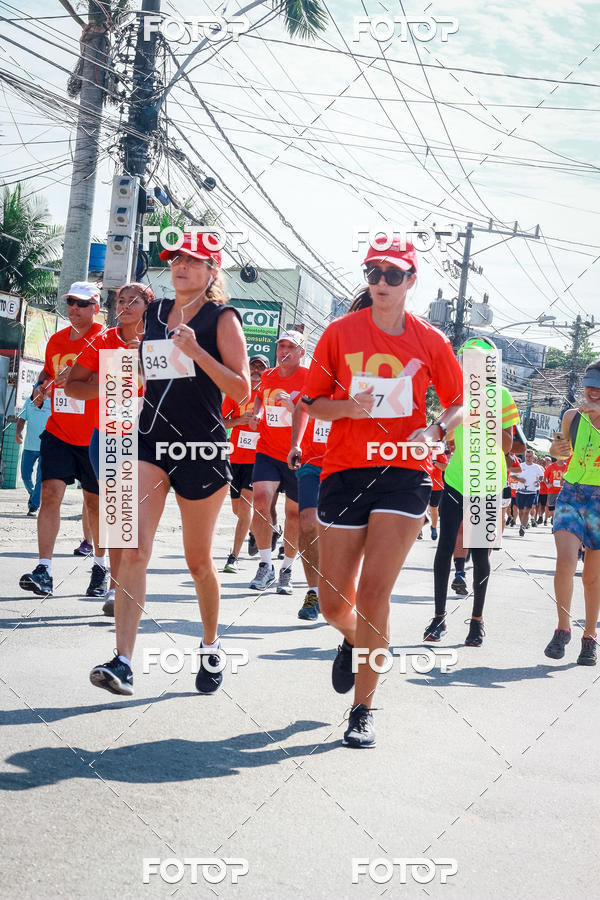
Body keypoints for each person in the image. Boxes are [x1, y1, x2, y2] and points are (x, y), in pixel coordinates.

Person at [301, 237, 463, 748]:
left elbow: (461, 402)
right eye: (373, 272)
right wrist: (349, 408)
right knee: (332, 604)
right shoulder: (339, 332)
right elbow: (311, 402)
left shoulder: (430, 339)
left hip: (404, 473)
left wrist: (435, 430)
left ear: (411, 281)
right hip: (344, 471)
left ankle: (363, 709)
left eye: (393, 274)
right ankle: (361, 641)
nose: (380, 282)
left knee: (374, 594)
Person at [89, 232, 250, 696]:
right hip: (150, 443)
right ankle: (122, 661)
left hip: (201, 448)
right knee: (134, 548)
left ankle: (210, 644)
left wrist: (198, 352)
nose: (181, 266)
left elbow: (242, 391)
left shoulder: (223, 318)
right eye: (176, 259)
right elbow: (146, 371)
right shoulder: (155, 314)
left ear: (212, 271)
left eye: (194, 261)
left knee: (198, 561)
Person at [65, 282, 154, 615]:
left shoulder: (161, 342)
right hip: (109, 438)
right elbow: (73, 386)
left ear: (149, 305)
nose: (126, 305)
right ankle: (118, 590)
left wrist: (143, 360)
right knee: (118, 517)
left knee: (136, 522)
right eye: (120, 300)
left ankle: (130, 584)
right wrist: (110, 379)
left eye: (134, 300)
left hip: (148, 442)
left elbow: (182, 387)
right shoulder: (102, 341)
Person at [424, 337, 519, 647]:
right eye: (466, 360)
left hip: (487, 483)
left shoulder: (501, 395)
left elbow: (508, 446)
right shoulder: (456, 394)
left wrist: (486, 413)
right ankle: (439, 618)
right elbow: (445, 432)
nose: (471, 366)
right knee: (445, 549)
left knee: (480, 556)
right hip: (454, 481)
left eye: (478, 361)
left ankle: (476, 622)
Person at [19, 282, 106, 599]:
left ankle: (100, 566)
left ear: (96, 307)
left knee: (95, 505)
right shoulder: (56, 341)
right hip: (58, 431)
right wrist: (40, 390)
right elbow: (46, 373)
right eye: (70, 302)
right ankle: (44, 569)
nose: (74, 308)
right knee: (50, 493)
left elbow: (116, 383)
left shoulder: (104, 339)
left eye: (82, 304)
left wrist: (83, 379)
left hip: (96, 435)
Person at [544, 360, 600, 666]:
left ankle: (589, 637)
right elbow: (558, 449)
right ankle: (562, 628)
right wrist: (557, 449)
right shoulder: (571, 416)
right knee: (565, 561)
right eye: (590, 384)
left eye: (599, 387)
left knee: (593, 578)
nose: (593, 391)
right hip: (572, 493)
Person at [248, 330, 307, 594]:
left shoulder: (309, 378)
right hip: (268, 450)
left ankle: (287, 568)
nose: (284, 350)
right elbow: (260, 394)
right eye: (281, 345)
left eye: (290, 347)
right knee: (260, 502)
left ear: (301, 353)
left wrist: (292, 406)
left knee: (293, 515)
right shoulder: (269, 375)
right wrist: (258, 413)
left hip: (297, 454)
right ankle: (265, 564)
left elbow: (314, 413)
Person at [221, 353, 269, 573]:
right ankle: (261, 531)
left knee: (245, 505)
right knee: (237, 509)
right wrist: (240, 420)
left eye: (261, 367)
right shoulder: (239, 392)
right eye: (254, 366)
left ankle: (234, 557)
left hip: (259, 458)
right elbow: (221, 421)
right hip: (236, 457)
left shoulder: (271, 394)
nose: (257, 370)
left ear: (267, 370)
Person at [287, 396, 331, 620]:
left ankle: (341, 590)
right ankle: (314, 593)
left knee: (343, 531)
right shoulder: (318, 378)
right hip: (312, 463)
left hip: (345, 464)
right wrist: (296, 444)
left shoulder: (356, 377)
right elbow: (300, 407)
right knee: (307, 522)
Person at [16, 391, 51, 516]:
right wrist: (18, 432)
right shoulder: (29, 402)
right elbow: (21, 420)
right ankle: (33, 494)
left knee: (40, 479)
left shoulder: (53, 403)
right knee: (25, 476)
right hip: (29, 446)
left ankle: (34, 506)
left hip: (46, 447)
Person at [515, 449, 544, 536]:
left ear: (533, 458)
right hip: (520, 491)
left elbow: (541, 476)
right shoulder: (520, 466)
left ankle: (522, 527)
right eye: (527, 456)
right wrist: (519, 479)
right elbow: (512, 475)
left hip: (531, 492)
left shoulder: (537, 467)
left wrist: (538, 482)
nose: (528, 458)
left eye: (530, 456)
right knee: (520, 511)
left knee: (527, 510)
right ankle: (522, 524)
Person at [426, 448, 448, 540]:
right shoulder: (419, 450)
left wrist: (434, 462)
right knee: (419, 507)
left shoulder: (438, 452)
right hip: (422, 484)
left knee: (433, 508)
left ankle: (434, 527)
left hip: (436, 486)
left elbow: (444, 467)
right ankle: (418, 531)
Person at [544, 454, 568, 525]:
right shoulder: (551, 466)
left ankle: (556, 522)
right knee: (551, 507)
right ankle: (554, 518)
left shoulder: (567, 467)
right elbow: (545, 478)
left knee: (561, 508)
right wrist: (547, 484)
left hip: (563, 490)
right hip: (552, 490)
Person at [536, 457, 551, 523]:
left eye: (543, 463)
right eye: (540, 463)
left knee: (543, 506)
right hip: (536, 490)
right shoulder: (535, 470)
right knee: (536, 505)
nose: (542, 464)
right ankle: (534, 518)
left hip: (545, 491)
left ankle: (541, 516)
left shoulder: (547, 470)